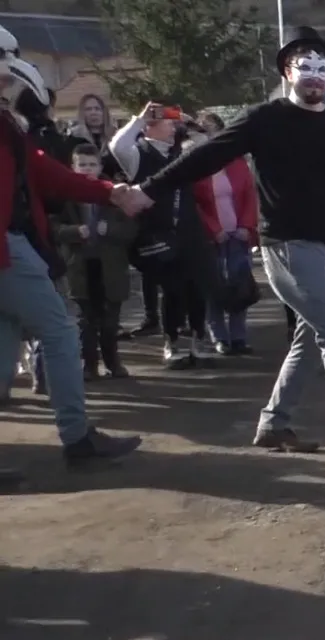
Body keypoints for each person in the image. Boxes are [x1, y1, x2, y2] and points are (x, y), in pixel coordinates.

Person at [130, 25, 325, 454]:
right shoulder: (264, 119)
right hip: (285, 245)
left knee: (311, 334)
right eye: (306, 67)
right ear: (287, 71)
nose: (316, 77)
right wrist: (148, 188)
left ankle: (274, 424)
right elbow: (207, 156)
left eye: (323, 69)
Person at [0, 37, 143, 463]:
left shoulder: (6, 125)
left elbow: (46, 175)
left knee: (6, 345)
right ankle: (78, 439)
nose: (10, 73)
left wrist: (109, 192)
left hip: (17, 245)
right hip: (7, 251)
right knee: (61, 331)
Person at [109, 102, 217, 368]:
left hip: (189, 230)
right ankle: (173, 341)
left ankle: (198, 338)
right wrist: (138, 118)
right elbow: (117, 146)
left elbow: (211, 149)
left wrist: (193, 125)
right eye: (167, 122)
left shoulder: (182, 153)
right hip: (158, 234)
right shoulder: (138, 154)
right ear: (150, 127)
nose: (173, 127)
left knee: (197, 287)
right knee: (173, 290)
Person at [50, 142, 138, 379]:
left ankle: (113, 362)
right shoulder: (63, 195)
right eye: (82, 165)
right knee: (86, 321)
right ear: (73, 167)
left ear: (100, 166)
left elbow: (131, 230)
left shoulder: (116, 193)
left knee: (110, 321)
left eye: (92, 164)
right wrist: (74, 231)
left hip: (110, 266)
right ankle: (89, 365)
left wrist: (108, 229)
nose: (87, 169)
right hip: (80, 265)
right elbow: (52, 227)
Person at [193, 111, 260, 356]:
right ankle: (219, 337)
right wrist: (214, 229)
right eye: (204, 130)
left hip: (238, 236)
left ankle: (239, 336)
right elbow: (195, 204)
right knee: (215, 289)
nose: (210, 135)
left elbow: (249, 196)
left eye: (213, 129)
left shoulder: (236, 161)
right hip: (211, 239)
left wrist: (246, 226)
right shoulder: (195, 165)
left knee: (240, 286)